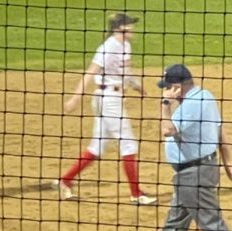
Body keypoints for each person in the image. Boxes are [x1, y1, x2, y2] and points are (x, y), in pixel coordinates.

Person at [131, 64, 232, 231]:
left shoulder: (190, 107)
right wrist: (228, 164)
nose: (165, 91)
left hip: (193, 175)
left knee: (210, 221)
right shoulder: (206, 96)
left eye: (168, 87)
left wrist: (165, 105)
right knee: (176, 219)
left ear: (177, 87)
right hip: (201, 170)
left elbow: (167, 130)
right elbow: (220, 130)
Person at [55, 12, 157, 204]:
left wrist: (137, 86)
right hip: (108, 99)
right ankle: (136, 195)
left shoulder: (125, 46)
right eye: (130, 25)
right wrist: (76, 98)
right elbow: (89, 73)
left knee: (97, 147)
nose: (133, 28)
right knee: (128, 144)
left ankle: (66, 181)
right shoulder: (108, 47)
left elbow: (125, 73)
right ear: (120, 28)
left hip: (113, 98)